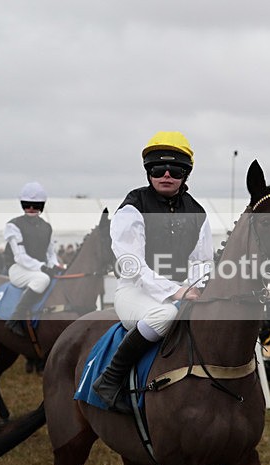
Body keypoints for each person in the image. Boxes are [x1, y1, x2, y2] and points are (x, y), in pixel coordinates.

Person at [93, 130, 213, 413]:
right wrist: (176, 291)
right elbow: (133, 266)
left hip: (182, 291)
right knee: (166, 315)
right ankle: (110, 379)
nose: (166, 174)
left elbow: (202, 261)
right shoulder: (132, 208)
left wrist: (198, 286)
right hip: (134, 292)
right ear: (148, 171)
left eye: (175, 169)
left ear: (186, 173)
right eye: (158, 168)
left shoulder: (198, 213)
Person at [3, 181, 62, 336]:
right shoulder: (13, 226)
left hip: (38, 268)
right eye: (27, 205)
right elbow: (20, 257)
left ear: (41, 206)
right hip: (18, 269)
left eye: (35, 206)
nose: (30, 208)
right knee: (43, 280)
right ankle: (15, 318)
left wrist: (55, 266)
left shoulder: (47, 227)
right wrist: (42, 267)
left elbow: (51, 253)